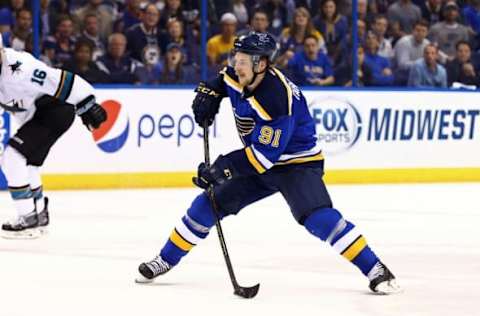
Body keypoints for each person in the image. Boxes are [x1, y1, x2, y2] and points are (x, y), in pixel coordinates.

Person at [136, 32, 401, 295]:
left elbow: (264, 157)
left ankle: (376, 269)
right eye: (236, 57)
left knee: (317, 217)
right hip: (259, 160)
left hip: (296, 164)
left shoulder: (276, 98)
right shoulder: (239, 74)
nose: (236, 64)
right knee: (207, 204)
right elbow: (221, 80)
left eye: (243, 60)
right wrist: (209, 92)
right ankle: (164, 260)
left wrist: (222, 168)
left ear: (261, 64)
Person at [0, 37, 107, 239]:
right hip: (41, 113)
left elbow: (59, 79)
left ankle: (27, 218)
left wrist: (87, 103)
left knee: (12, 157)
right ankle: (39, 214)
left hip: (54, 109)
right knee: (29, 163)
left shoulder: (18, 66)